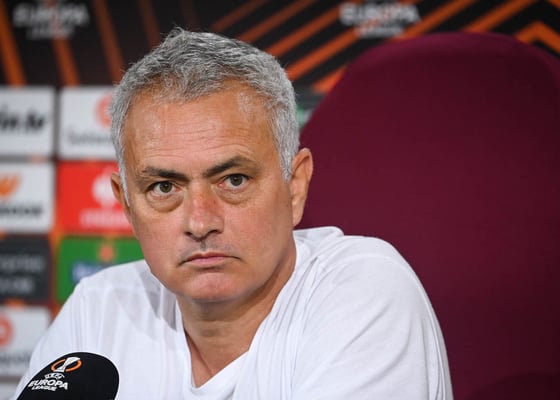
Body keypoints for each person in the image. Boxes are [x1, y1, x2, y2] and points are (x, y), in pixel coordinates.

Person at [13, 28, 452, 399]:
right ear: (127, 203)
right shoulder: (98, 309)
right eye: (164, 187)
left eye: (234, 180)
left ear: (295, 185)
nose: (201, 222)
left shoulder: (363, 289)